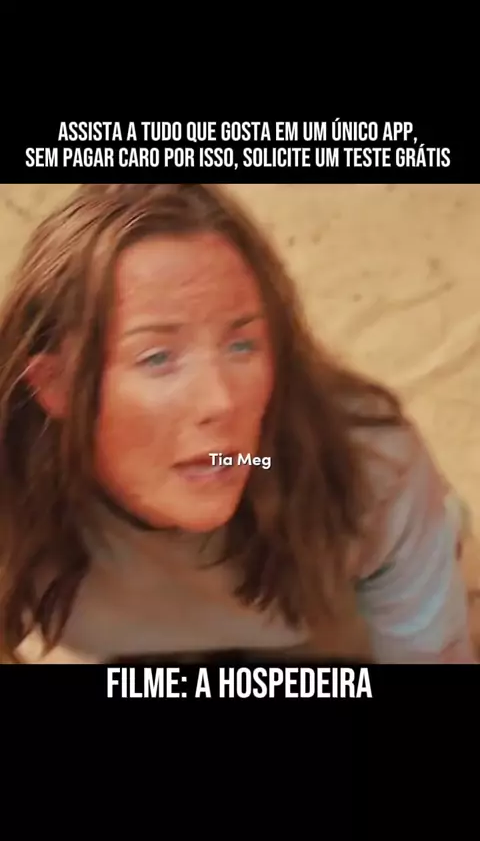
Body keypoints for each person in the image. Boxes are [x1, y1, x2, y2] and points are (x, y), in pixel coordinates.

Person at [0, 183, 475, 665]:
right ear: (54, 385)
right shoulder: (13, 493)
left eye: (242, 346)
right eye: (158, 357)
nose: (221, 400)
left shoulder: (363, 466)